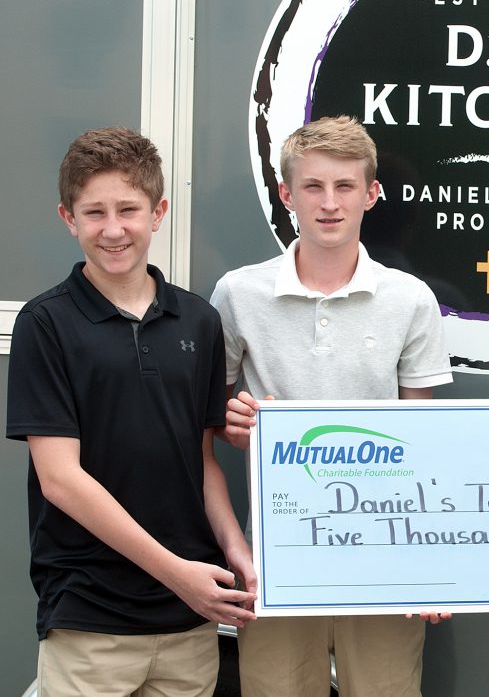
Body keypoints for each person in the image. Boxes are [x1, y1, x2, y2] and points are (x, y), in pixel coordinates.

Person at [5, 127, 257, 696]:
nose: (113, 229)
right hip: (90, 615)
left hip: (189, 620)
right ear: (68, 218)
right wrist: (178, 574)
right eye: (94, 213)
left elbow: (202, 462)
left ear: (158, 211)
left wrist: (236, 554)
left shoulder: (198, 321)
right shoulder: (46, 325)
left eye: (128, 209)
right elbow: (61, 481)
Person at [211, 114, 453, 697]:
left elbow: (420, 442)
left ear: (371, 194)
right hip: (277, 555)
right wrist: (233, 422)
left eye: (345, 187)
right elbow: (211, 420)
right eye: (313, 187)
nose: (329, 204)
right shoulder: (238, 295)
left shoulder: (410, 300)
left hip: (384, 555)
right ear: (286, 193)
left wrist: (432, 559)